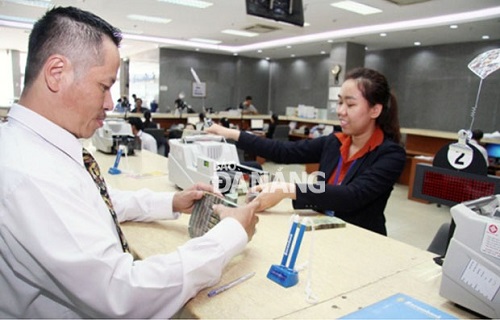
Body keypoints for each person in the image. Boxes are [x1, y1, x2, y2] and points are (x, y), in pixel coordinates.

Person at [0, 7, 259, 318]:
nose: (110, 103)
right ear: (57, 73)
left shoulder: (37, 148)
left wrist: (172, 202)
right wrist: (230, 233)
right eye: (104, 86)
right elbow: (125, 293)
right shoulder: (31, 174)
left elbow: (93, 201)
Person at [206, 67, 406, 236]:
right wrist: (231, 133)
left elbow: (352, 195)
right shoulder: (334, 142)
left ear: (375, 110)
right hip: (322, 230)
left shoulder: (390, 154)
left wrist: (287, 190)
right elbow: (284, 151)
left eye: (351, 104)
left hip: (360, 237)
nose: (341, 111)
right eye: (339, 102)